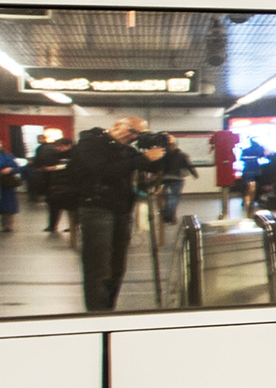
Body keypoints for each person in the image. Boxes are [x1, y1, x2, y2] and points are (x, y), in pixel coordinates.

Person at [68, 118, 160, 310]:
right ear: (117, 126)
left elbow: (152, 167)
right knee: (99, 265)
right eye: (132, 131)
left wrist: (168, 151)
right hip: (96, 208)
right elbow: (102, 170)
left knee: (118, 266)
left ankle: (109, 307)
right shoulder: (90, 143)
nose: (134, 137)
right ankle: (96, 312)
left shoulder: (128, 151)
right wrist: (142, 160)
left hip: (122, 210)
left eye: (138, 134)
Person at [143, 133, 196, 224]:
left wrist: (152, 177)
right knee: (174, 197)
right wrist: (194, 174)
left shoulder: (162, 155)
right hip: (177, 179)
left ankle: (167, 214)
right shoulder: (182, 154)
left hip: (165, 179)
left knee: (168, 197)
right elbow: (189, 165)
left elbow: (155, 166)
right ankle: (169, 215)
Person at [32, 131, 75, 235]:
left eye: (60, 147)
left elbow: (71, 166)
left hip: (70, 183)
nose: (58, 149)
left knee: (71, 207)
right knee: (53, 205)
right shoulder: (56, 155)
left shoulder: (75, 154)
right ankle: (52, 225)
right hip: (56, 184)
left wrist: (55, 167)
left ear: (68, 145)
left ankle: (72, 225)